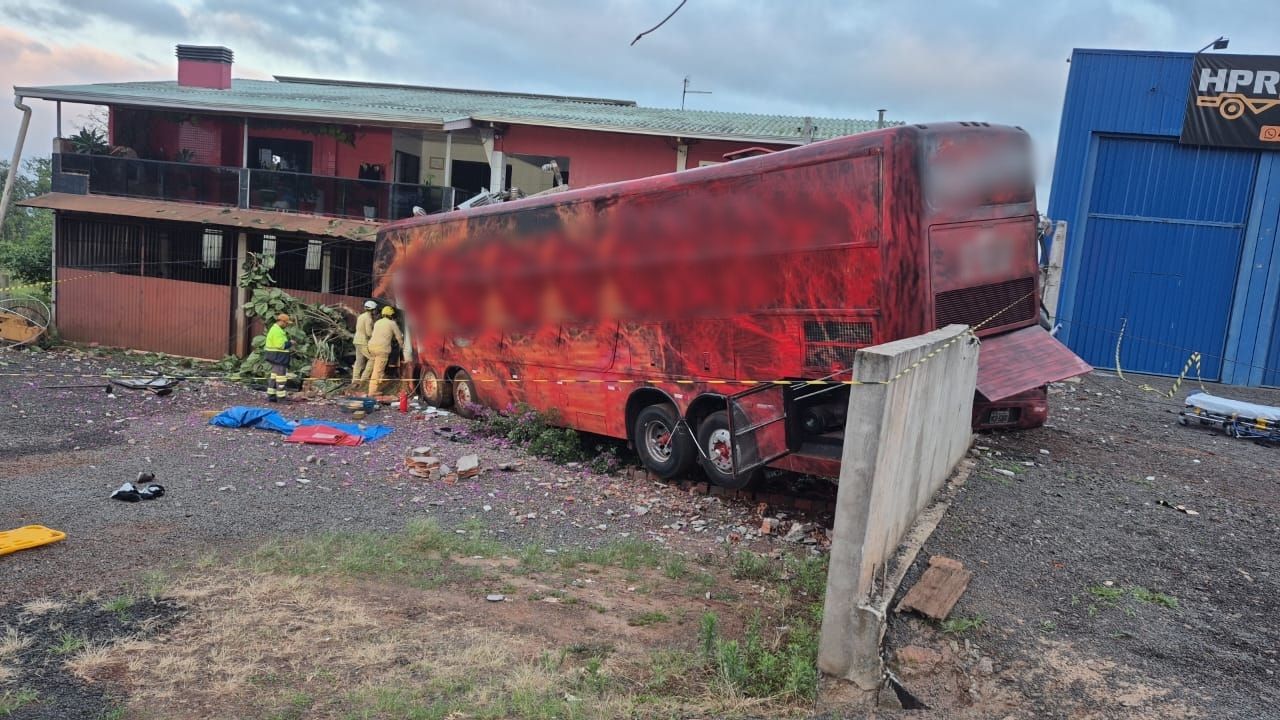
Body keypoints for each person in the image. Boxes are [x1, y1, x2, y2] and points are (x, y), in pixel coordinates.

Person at [366, 305, 404, 397]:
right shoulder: (392, 323)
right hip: (382, 349)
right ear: (391, 315)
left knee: (376, 366)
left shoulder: (378, 322)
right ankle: (372, 391)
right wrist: (402, 346)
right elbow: (399, 336)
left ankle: (378, 381)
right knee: (378, 370)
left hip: (371, 347)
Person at [263, 313, 293, 402]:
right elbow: (281, 345)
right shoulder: (277, 331)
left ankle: (271, 396)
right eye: (286, 323)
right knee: (281, 378)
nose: (287, 325)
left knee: (274, 377)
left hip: (275, 357)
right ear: (282, 322)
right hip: (279, 358)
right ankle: (281, 398)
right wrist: (290, 343)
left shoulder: (275, 329)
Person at [352, 300, 378, 386]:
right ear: (373, 309)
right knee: (372, 358)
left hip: (356, 340)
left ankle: (355, 380)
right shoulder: (368, 319)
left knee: (358, 361)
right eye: (375, 309)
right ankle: (364, 379)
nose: (376, 311)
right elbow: (368, 333)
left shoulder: (361, 316)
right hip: (363, 341)